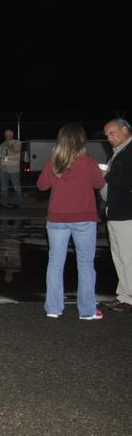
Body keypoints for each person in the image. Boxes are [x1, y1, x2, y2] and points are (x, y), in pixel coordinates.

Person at [37, 122, 107, 320]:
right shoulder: (89, 162)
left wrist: (51, 162)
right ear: (82, 141)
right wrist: (101, 174)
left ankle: (53, 308)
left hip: (57, 219)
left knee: (55, 263)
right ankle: (87, 311)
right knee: (85, 264)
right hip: (84, 219)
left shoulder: (54, 161)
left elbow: (42, 186)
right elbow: (99, 184)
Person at [101, 118, 132, 312]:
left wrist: (106, 176)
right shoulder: (118, 153)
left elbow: (125, 179)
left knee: (128, 257)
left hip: (126, 213)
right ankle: (124, 296)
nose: (109, 138)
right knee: (119, 257)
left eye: (112, 133)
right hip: (114, 211)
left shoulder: (129, 152)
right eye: (107, 135)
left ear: (125, 130)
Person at [0, 129, 23, 208]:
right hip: (3, 169)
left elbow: (14, 151)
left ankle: (17, 203)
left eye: (8, 135)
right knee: (3, 187)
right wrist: (0, 165)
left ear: (12, 135)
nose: (6, 136)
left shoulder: (17, 142)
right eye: (5, 135)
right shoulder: (2, 144)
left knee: (16, 187)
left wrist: (8, 144)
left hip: (14, 169)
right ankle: (4, 203)